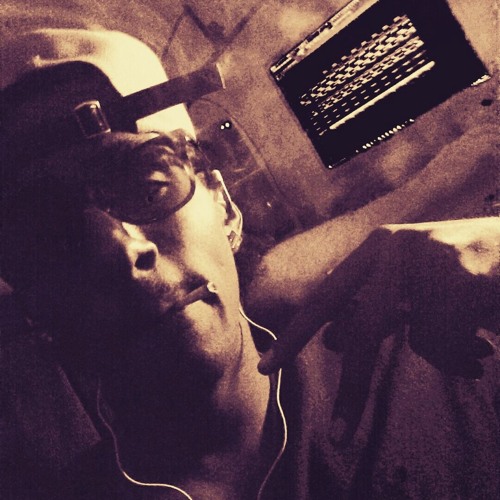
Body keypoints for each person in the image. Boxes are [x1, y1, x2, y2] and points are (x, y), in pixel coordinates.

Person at [0, 29, 498, 500]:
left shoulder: (435, 364)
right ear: (34, 307)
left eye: (149, 187)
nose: (122, 251)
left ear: (223, 205)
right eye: (54, 242)